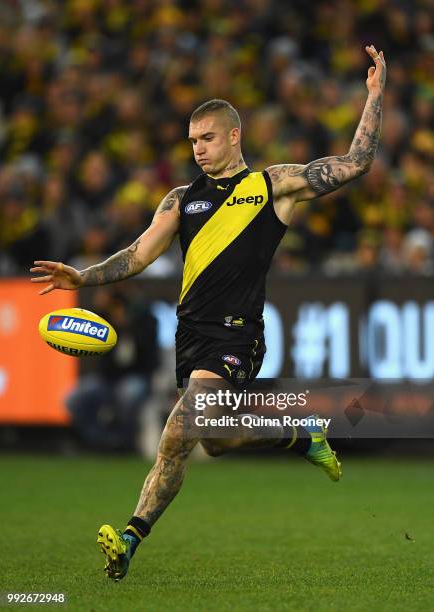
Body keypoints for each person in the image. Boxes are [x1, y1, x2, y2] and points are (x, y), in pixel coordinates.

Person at [30, 45, 386, 581]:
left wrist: (374, 97)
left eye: (207, 138)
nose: (197, 149)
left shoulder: (271, 187)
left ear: (234, 135)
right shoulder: (180, 199)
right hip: (191, 337)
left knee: (179, 431)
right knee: (216, 439)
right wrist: (84, 276)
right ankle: (299, 432)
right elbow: (139, 253)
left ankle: (128, 537)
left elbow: (355, 163)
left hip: (237, 337)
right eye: (192, 140)